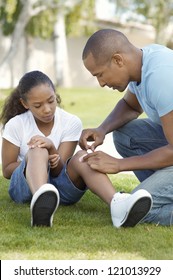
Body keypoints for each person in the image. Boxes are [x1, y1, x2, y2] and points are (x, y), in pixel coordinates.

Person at [0, 70, 152, 228]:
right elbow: (7, 170)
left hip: (61, 190)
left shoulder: (70, 122)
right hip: (24, 189)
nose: (47, 109)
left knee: (82, 156)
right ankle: (40, 201)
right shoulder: (16, 125)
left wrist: (52, 150)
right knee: (38, 150)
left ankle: (118, 204)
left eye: (51, 101)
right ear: (25, 104)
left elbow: (59, 171)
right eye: (38, 106)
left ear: (55, 95)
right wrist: (36, 161)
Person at [79, 28, 173, 226]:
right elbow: (131, 106)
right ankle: (159, 189)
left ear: (118, 60)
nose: (101, 83)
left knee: (136, 209)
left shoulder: (161, 77)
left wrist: (119, 165)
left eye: (101, 74)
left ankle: (155, 195)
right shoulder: (142, 64)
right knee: (124, 135)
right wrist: (102, 129)